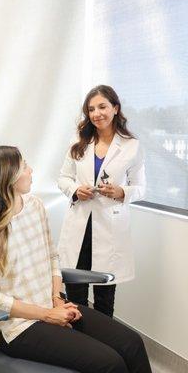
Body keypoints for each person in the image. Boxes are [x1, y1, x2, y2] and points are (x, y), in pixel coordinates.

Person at [0, 145, 152, 373]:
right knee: (110, 363)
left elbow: (52, 257)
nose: (31, 170)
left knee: (132, 344)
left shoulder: (34, 205)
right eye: (24, 166)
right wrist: (46, 314)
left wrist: (56, 298)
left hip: (52, 305)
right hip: (17, 326)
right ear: (7, 176)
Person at [58, 85, 146, 317]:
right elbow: (63, 178)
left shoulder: (131, 146)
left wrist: (121, 192)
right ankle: (78, 344)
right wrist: (76, 189)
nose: (97, 113)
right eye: (91, 109)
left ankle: (104, 348)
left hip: (109, 227)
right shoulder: (79, 140)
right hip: (80, 225)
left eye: (102, 107)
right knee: (75, 293)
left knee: (104, 297)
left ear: (115, 108)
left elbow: (141, 188)